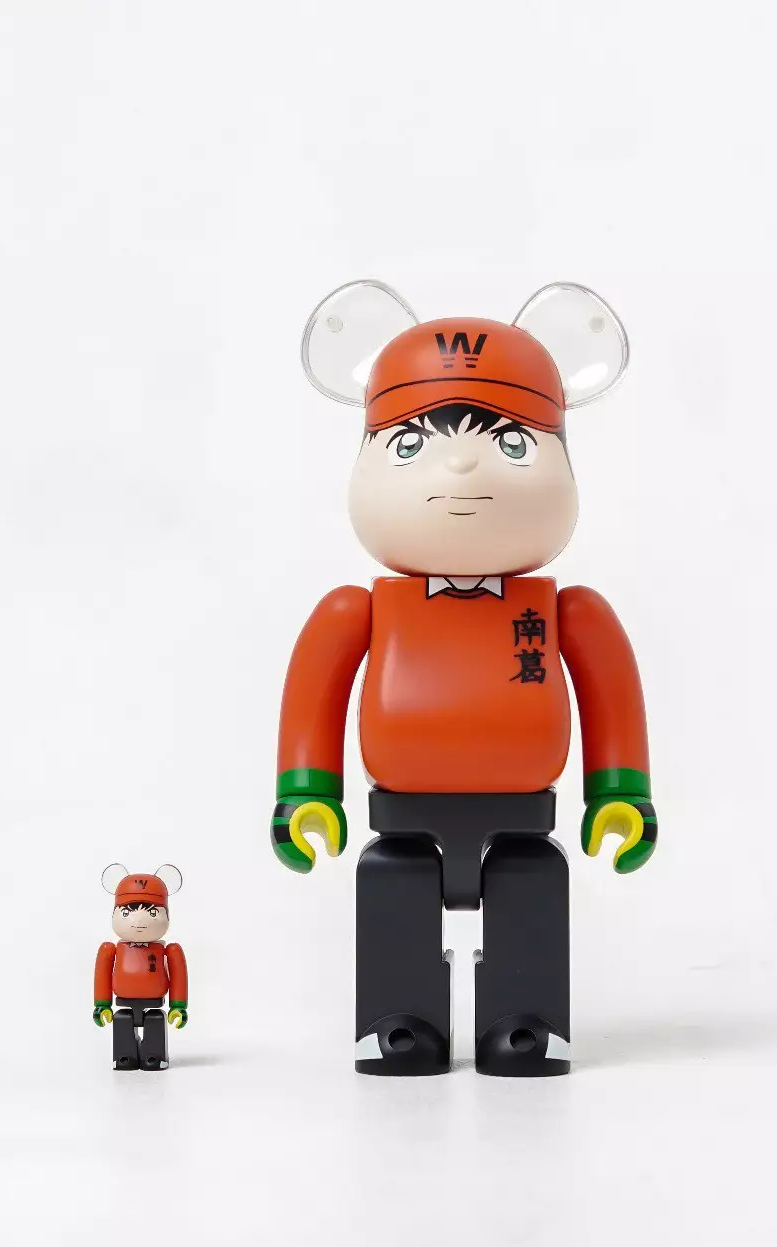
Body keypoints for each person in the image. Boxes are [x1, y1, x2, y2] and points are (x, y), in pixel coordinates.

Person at [273, 283, 657, 1076]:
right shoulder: (354, 610)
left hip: (522, 810)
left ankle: (525, 1024)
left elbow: (612, 701)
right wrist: (306, 792)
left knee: (530, 890)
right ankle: (400, 1022)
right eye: (410, 444)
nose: (459, 465)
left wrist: (621, 792)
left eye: (511, 444)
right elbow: (314, 700)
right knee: (392, 891)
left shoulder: (571, 612)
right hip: (402, 809)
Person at [93, 867, 188, 1071]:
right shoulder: (109, 949)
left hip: (154, 999)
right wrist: (102, 1004)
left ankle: (155, 1057)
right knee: (122, 1022)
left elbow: (178, 976)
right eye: (127, 912)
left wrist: (178, 1005)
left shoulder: (170, 950)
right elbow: (102, 976)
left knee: (155, 1021)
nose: (139, 921)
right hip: (123, 999)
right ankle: (124, 1057)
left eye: (152, 912)